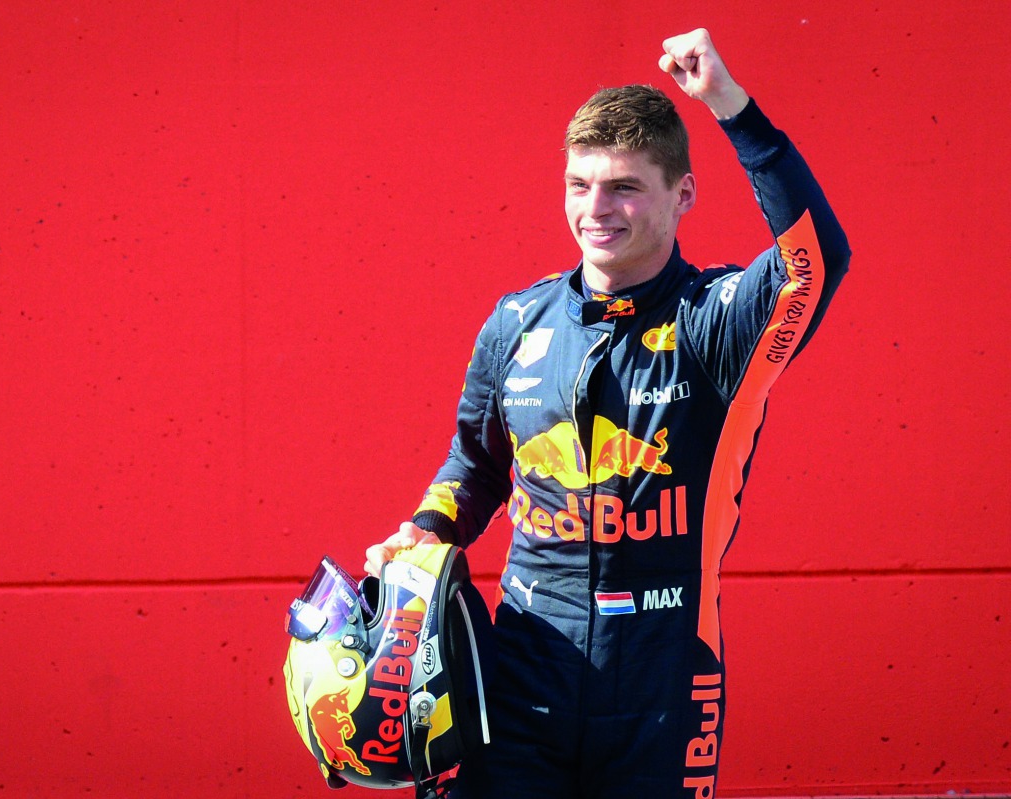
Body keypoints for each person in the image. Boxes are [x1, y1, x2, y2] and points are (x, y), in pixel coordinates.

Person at [364, 28, 850, 799]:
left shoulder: (716, 321)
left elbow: (817, 259)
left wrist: (731, 106)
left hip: (665, 671)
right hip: (522, 666)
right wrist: (428, 529)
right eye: (579, 185)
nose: (596, 209)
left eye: (623, 186)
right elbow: (475, 465)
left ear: (682, 194)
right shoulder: (516, 323)